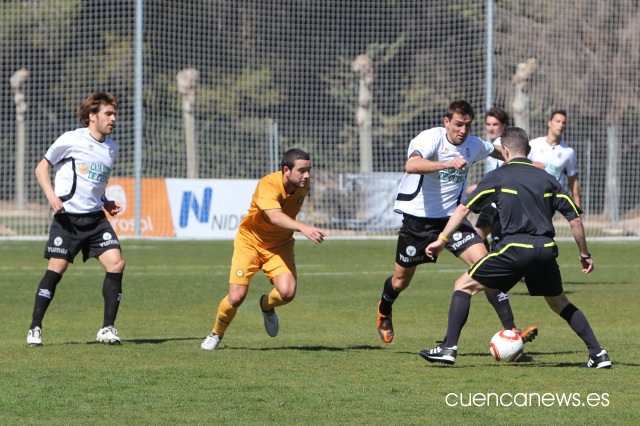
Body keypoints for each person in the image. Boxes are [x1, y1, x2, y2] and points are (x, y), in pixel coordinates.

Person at [420, 127, 610, 368]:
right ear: (527, 151)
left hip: (514, 248)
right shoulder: (547, 178)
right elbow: (575, 220)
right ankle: (598, 354)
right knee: (559, 302)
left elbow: (463, 209)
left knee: (463, 286)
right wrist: (584, 254)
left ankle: (448, 349)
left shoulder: (499, 176)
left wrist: (442, 240)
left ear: (505, 150)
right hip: (545, 249)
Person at [376, 100, 537, 345]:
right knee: (400, 281)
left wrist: (528, 166)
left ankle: (512, 331)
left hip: (452, 219)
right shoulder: (431, 138)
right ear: (447, 122)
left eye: (468, 126)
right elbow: (411, 165)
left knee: (486, 267)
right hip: (418, 221)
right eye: (458, 124)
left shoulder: (473, 145)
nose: (462, 130)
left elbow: (501, 152)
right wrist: (447, 163)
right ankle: (385, 308)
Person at [201, 149, 326, 351]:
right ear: (286, 170)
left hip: (279, 245)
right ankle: (216, 333)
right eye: (302, 171)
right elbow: (274, 217)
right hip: (250, 242)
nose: (307, 176)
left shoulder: (302, 184)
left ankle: (266, 306)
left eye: (309, 170)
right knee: (236, 297)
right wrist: (303, 227)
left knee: (287, 293)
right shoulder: (268, 184)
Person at [27, 91, 125, 346]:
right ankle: (35, 327)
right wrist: (51, 195)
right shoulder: (71, 139)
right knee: (57, 269)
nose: (113, 118)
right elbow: (41, 167)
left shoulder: (111, 147)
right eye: (108, 113)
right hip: (67, 219)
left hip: (95, 220)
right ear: (92, 116)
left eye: (114, 113)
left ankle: (107, 328)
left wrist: (106, 202)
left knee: (116, 264)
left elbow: (93, 183)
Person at [528, 110, 581, 207]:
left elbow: (573, 179)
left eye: (564, 123)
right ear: (549, 123)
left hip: (551, 200)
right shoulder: (534, 144)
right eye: (558, 121)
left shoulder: (568, 152)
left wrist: (577, 204)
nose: (561, 125)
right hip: (531, 195)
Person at [474, 107, 509, 248]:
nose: (491, 128)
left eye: (495, 124)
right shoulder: (490, 144)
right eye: (488, 124)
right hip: (491, 202)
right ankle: (486, 262)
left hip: (502, 203)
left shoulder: (503, 145)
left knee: (498, 245)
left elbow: (504, 174)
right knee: (477, 236)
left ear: (504, 125)